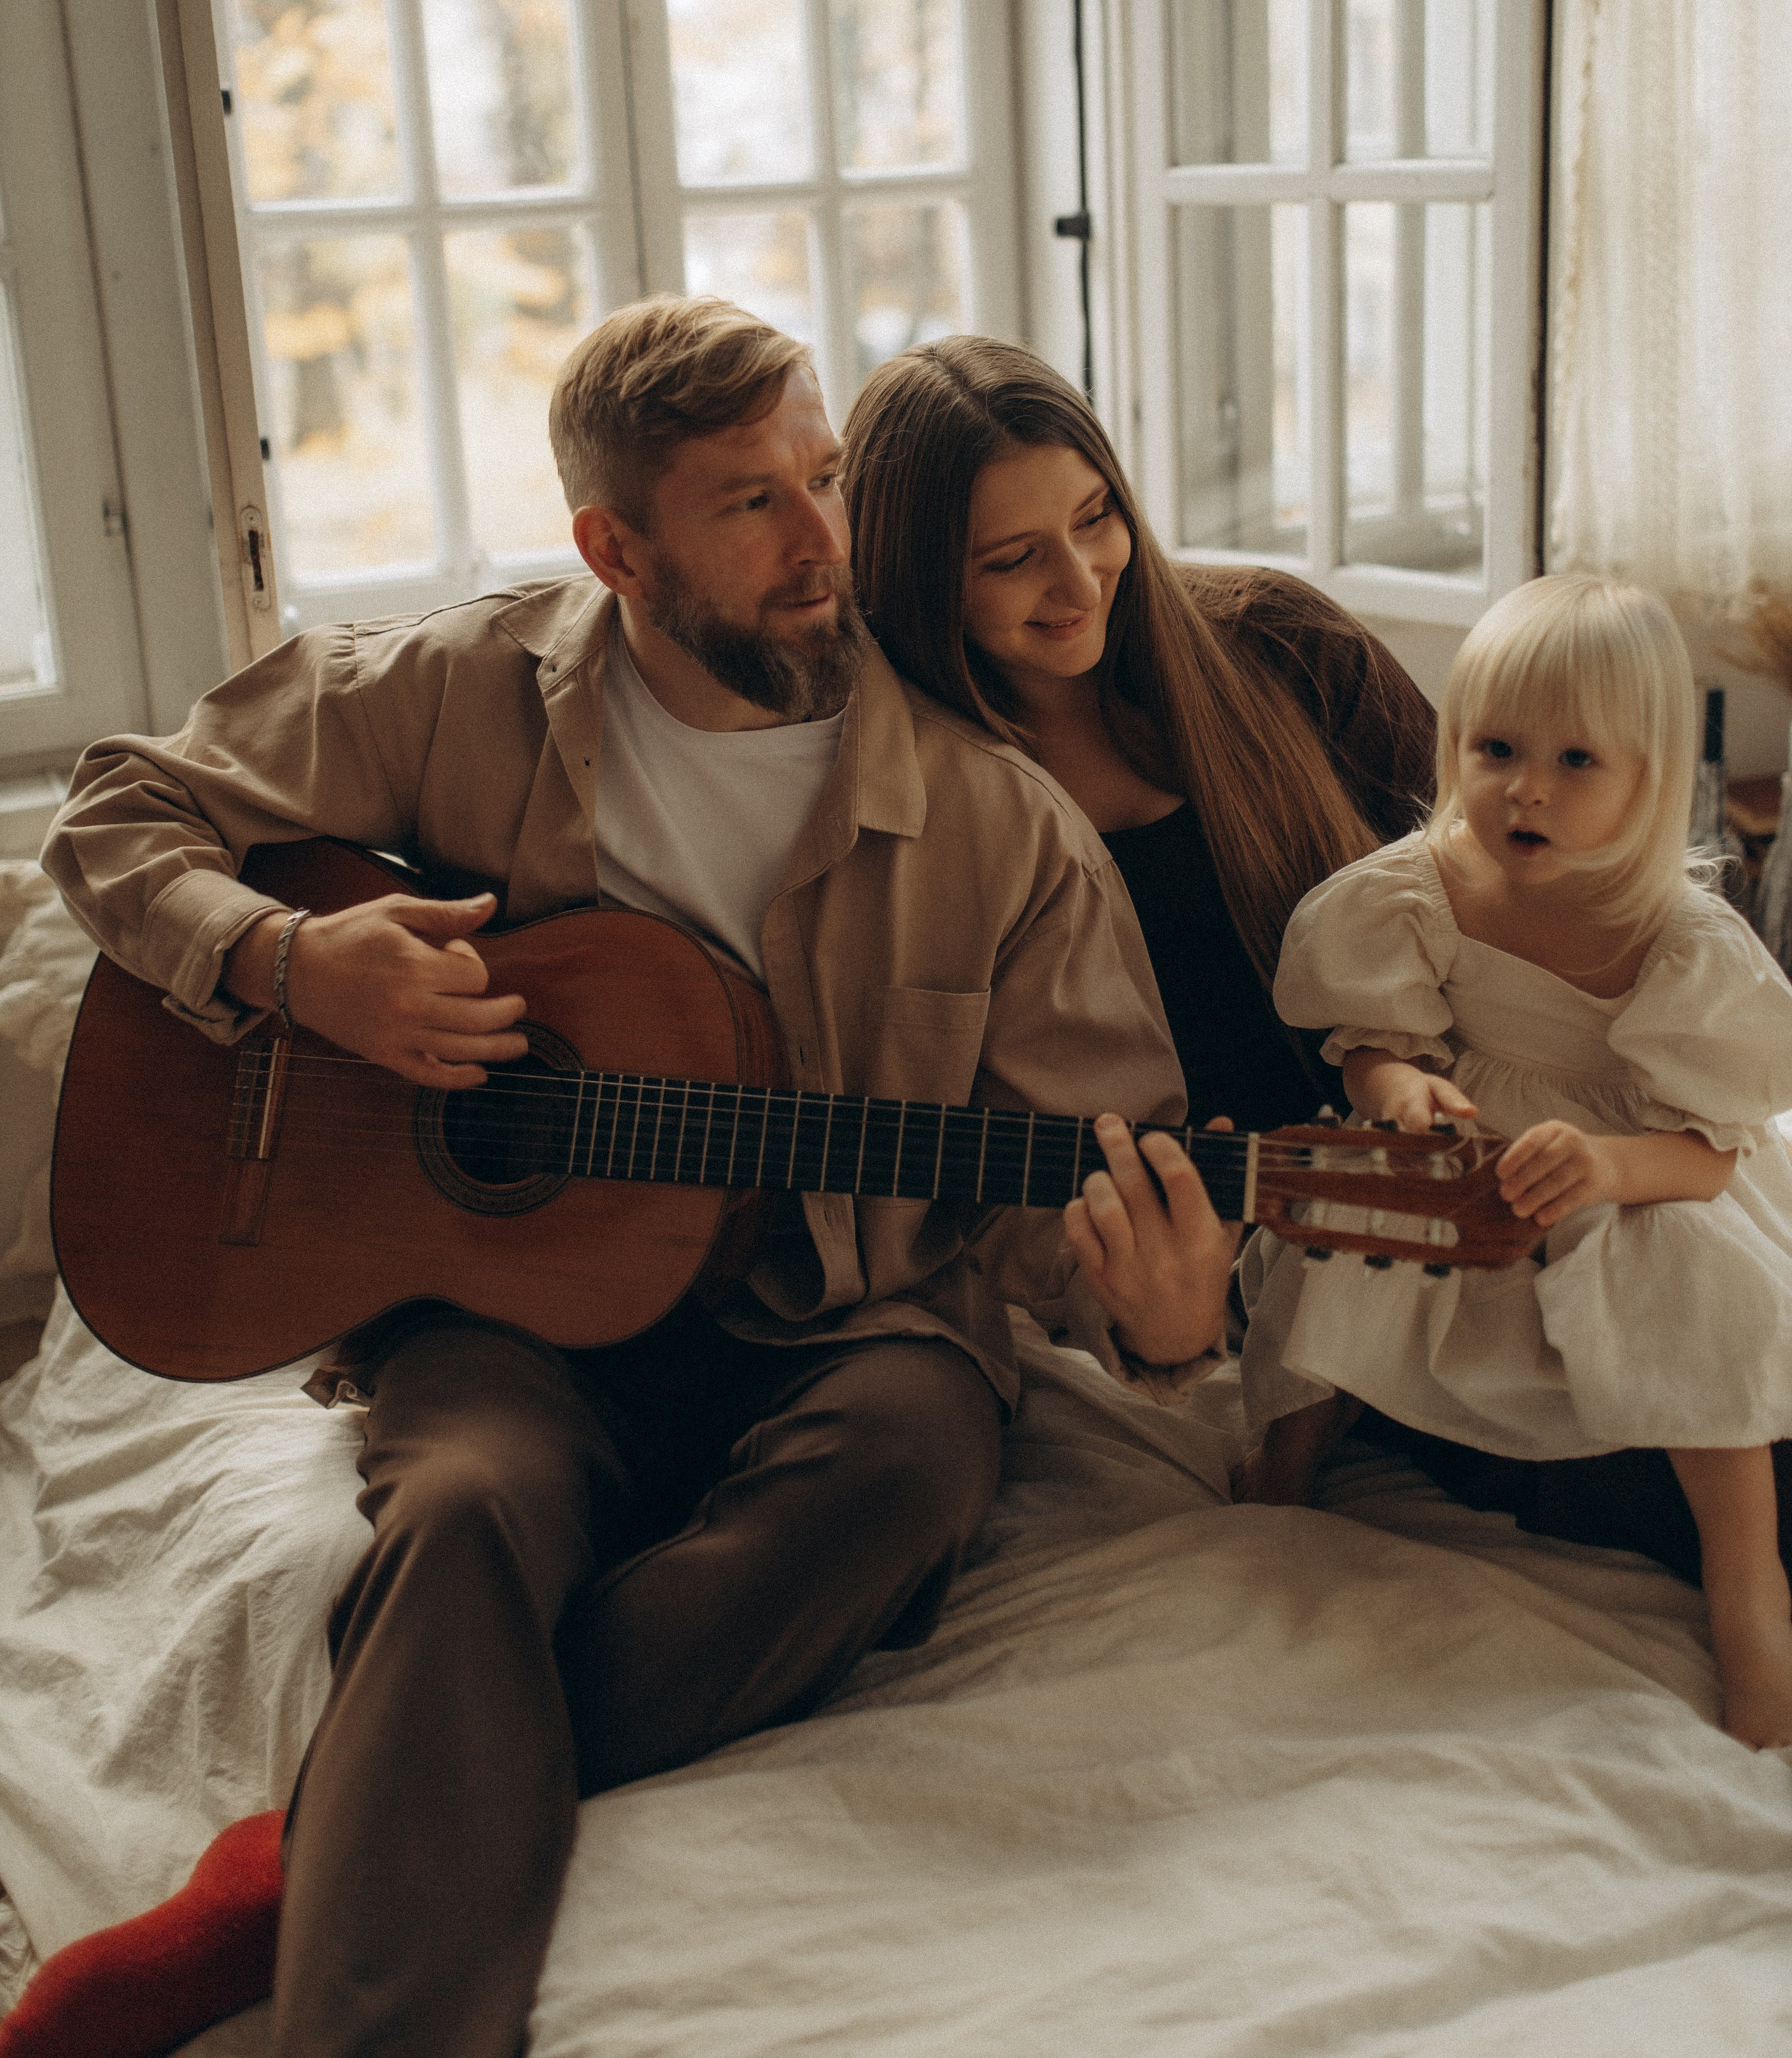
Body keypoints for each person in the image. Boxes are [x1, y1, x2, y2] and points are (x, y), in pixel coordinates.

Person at [31, 298, 1233, 2058]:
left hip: (852, 1317)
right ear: (615, 544)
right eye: (750, 502)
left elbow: (1084, 1175)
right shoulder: (452, 691)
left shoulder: (990, 817)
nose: (823, 540)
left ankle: (298, 1873)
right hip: (507, 1321)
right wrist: (296, 962)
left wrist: (1162, 1316)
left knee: (909, 1462)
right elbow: (119, 803)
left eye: (821, 476)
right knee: (457, 1513)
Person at [1238, 575, 1792, 1749]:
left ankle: (1750, 1598)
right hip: (1470, 1160)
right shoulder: (1424, 885)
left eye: (1578, 762)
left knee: (1705, 1291)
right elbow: (1375, 1038)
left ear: (1647, 778)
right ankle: (1285, 1458)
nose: (1525, 789)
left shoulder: (1678, 938)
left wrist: (1601, 1166)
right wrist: (1397, 1087)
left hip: (1633, 1169)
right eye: (1495, 749)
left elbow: (1704, 1160)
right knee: (1350, 1218)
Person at [839, 335, 1438, 1135]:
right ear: (917, 580)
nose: (1080, 580)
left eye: (1095, 517)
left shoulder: (1284, 642)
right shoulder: (908, 778)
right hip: (1121, 1236)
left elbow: (1480, 869)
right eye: (1014, 560)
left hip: (1394, 1177)